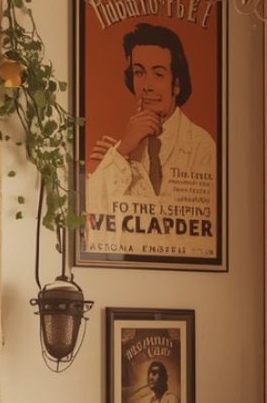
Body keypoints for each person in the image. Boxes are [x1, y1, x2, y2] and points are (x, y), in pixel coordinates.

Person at [86, 25, 217, 243]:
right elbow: (94, 223)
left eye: (158, 74)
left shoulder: (202, 145)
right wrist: (120, 153)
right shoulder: (121, 148)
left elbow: (191, 233)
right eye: (139, 73)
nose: (146, 86)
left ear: (176, 84)